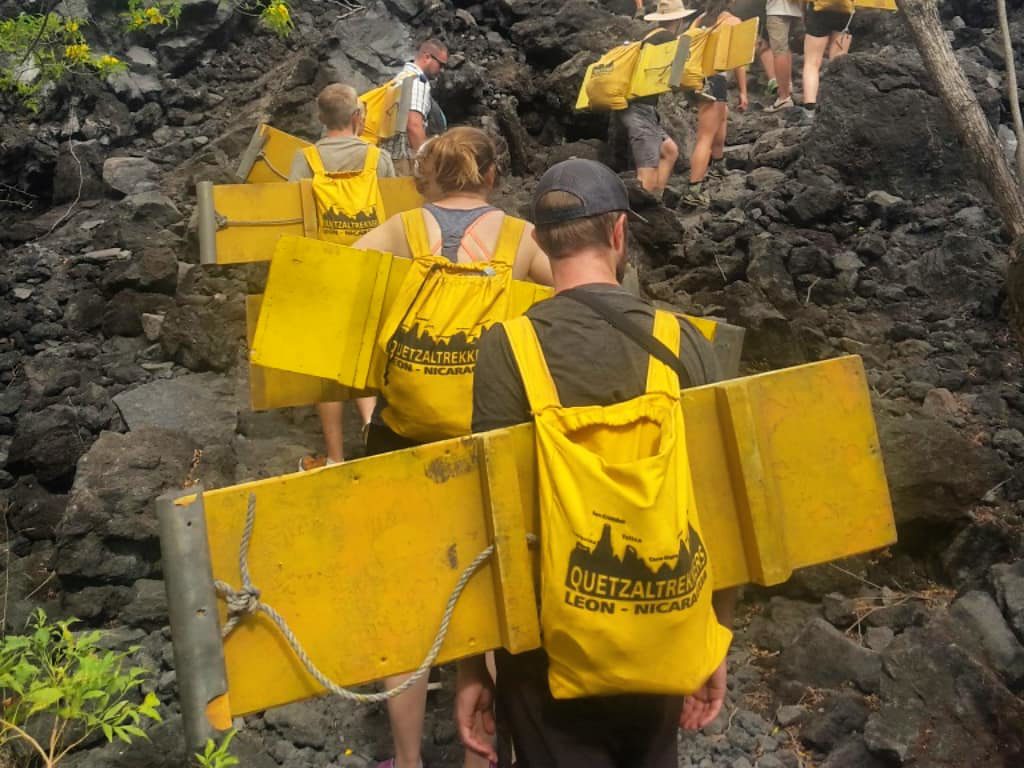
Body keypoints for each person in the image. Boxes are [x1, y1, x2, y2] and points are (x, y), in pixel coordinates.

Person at [456, 158, 736, 767]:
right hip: (664, 618)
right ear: (618, 234)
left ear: (538, 240)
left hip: (544, 654)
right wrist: (715, 636)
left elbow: (485, 522)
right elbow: (719, 507)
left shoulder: (506, 350)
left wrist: (469, 667)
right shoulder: (683, 340)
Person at [355, 126, 552, 768]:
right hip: (490, 441)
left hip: (402, 439)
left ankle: (408, 760)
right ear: (491, 176)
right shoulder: (519, 237)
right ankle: (480, 757)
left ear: (430, 177)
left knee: (405, 599)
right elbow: (573, 292)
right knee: (490, 600)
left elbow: (341, 285)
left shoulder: (401, 231)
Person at [291, 83, 395, 472]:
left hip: (323, 270)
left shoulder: (305, 160)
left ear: (321, 119)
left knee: (327, 363)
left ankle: (335, 457)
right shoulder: (377, 158)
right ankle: (371, 430)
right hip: (370, 270)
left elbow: (293, 221)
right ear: (357, 117)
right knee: (365, 353)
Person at [612, 0, 696, 199]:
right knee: (647, 170)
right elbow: (676, 80)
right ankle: (644, 214)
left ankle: (656, 201)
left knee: (669, 150)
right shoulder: (669, 39)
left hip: (635, 107)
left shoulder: (647, 36)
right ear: (680, 19)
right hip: (640, 111)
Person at [682, 0, 744, 208]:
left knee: (721, 116)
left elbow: (684, 49)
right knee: (705, 136)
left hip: (696, 81)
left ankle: (718, 165)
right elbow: (739, 62)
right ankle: (694, 189)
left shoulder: (698, 19)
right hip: (715, 80)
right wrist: (743, 92)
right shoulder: (733, 22)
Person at [382, 39, 449, 176]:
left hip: (391, 156)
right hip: (405, 160)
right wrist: (425, 162)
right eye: (440, 64)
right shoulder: (417, 81)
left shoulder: (401, 78)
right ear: (427, 57)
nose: (441, 70)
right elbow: (414, 124)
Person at [802, 0, 854, 113]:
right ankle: (836, 105)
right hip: (845, 11)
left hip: (819, 11)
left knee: (812, 63)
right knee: (839, 62)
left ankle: (809, 110)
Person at [763, 1, 804, 111]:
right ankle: (787, 87)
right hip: (798, 11)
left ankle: (784, 97)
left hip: (777, 10)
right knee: (787, 49)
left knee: (779, 52)